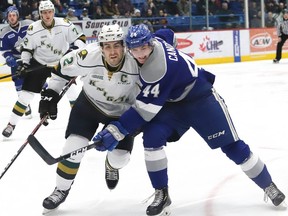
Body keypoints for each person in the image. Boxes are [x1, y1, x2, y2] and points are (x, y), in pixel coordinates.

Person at [93, 24, 286, 216]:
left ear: (150, 44)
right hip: (172, 104)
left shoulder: (156, 70)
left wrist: (115, 131)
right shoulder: (159, 39)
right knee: (152, 139)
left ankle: (268, 185)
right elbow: (169, 32)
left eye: (143, 48)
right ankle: (162, 193)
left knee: (232, 147)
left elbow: (143, 112)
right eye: (135, 49)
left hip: (200, 99)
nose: (140, 54)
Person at [38, 24, 140, 214]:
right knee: (72, 149)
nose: (112, 51)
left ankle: (111, 165)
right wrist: (49, 95)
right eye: (107, 46)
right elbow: (60, 70)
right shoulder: (86, 55)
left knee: (120, 159)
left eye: (116, 45)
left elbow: (149, 95)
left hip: (121, 115)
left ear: (124, 45)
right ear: (100, 47)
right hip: (89, 106)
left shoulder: (137, 62)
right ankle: (61, 189)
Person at [2, 0, 86, 138]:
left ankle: (80, 122)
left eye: (49, 12)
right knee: (25, 96)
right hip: (39, 62)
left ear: (53, 12)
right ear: (40, 14)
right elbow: (27, 49)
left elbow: (80, 37)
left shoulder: (64, 23)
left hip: (60, 63)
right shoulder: (33, 28)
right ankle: (11, 124)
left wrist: (75, 49)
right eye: (44, 13)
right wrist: (25, 64)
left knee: (72, 92)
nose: (47, 15)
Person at [0, 6, 33, 118]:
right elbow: (5, 50)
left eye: (14, 15)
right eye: (9, 16)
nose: (12, 17)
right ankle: (26, 106)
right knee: (18, 85)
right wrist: (9, 57)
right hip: (17, 60)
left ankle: (46, 103)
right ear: (7, 18)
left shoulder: (28, 24)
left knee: (41, 83)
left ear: (17, 15)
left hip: (31, 58)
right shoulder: (4, 33)